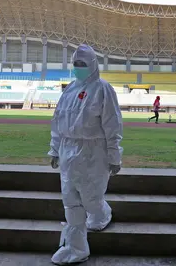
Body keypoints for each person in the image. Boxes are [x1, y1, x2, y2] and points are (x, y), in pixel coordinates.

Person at [48, 44, 124, 265]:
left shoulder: (103, 89)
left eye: (83, 64)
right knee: (71, 202)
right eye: (76, 64)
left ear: (93, 65)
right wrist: (55, 149)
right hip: (68, 151)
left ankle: (101, 213)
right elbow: (58, 121)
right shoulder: (69, 90)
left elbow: (113, 124)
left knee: (91, 199)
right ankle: (76, 248)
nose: (79, 68)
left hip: (94, 152)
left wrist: (114, 156)